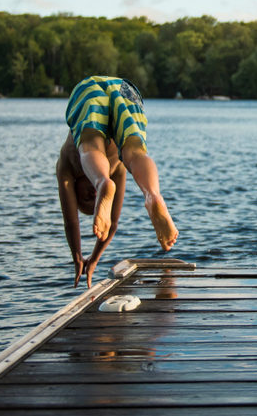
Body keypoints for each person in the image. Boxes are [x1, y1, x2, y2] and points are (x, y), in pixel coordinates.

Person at [56, 75, 178, 287]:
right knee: (134, 152)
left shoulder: (66, 166)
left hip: (88, 90)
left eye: (86, 198)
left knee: (90, 145)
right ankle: (152, 195)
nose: (92, 197)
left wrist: (77, 255)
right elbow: (111, 224)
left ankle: (102, 181)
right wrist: (94, 259)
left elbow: (71, 221)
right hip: (123, 88)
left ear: (75, 190)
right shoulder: (117, 169)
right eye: (94, 200)